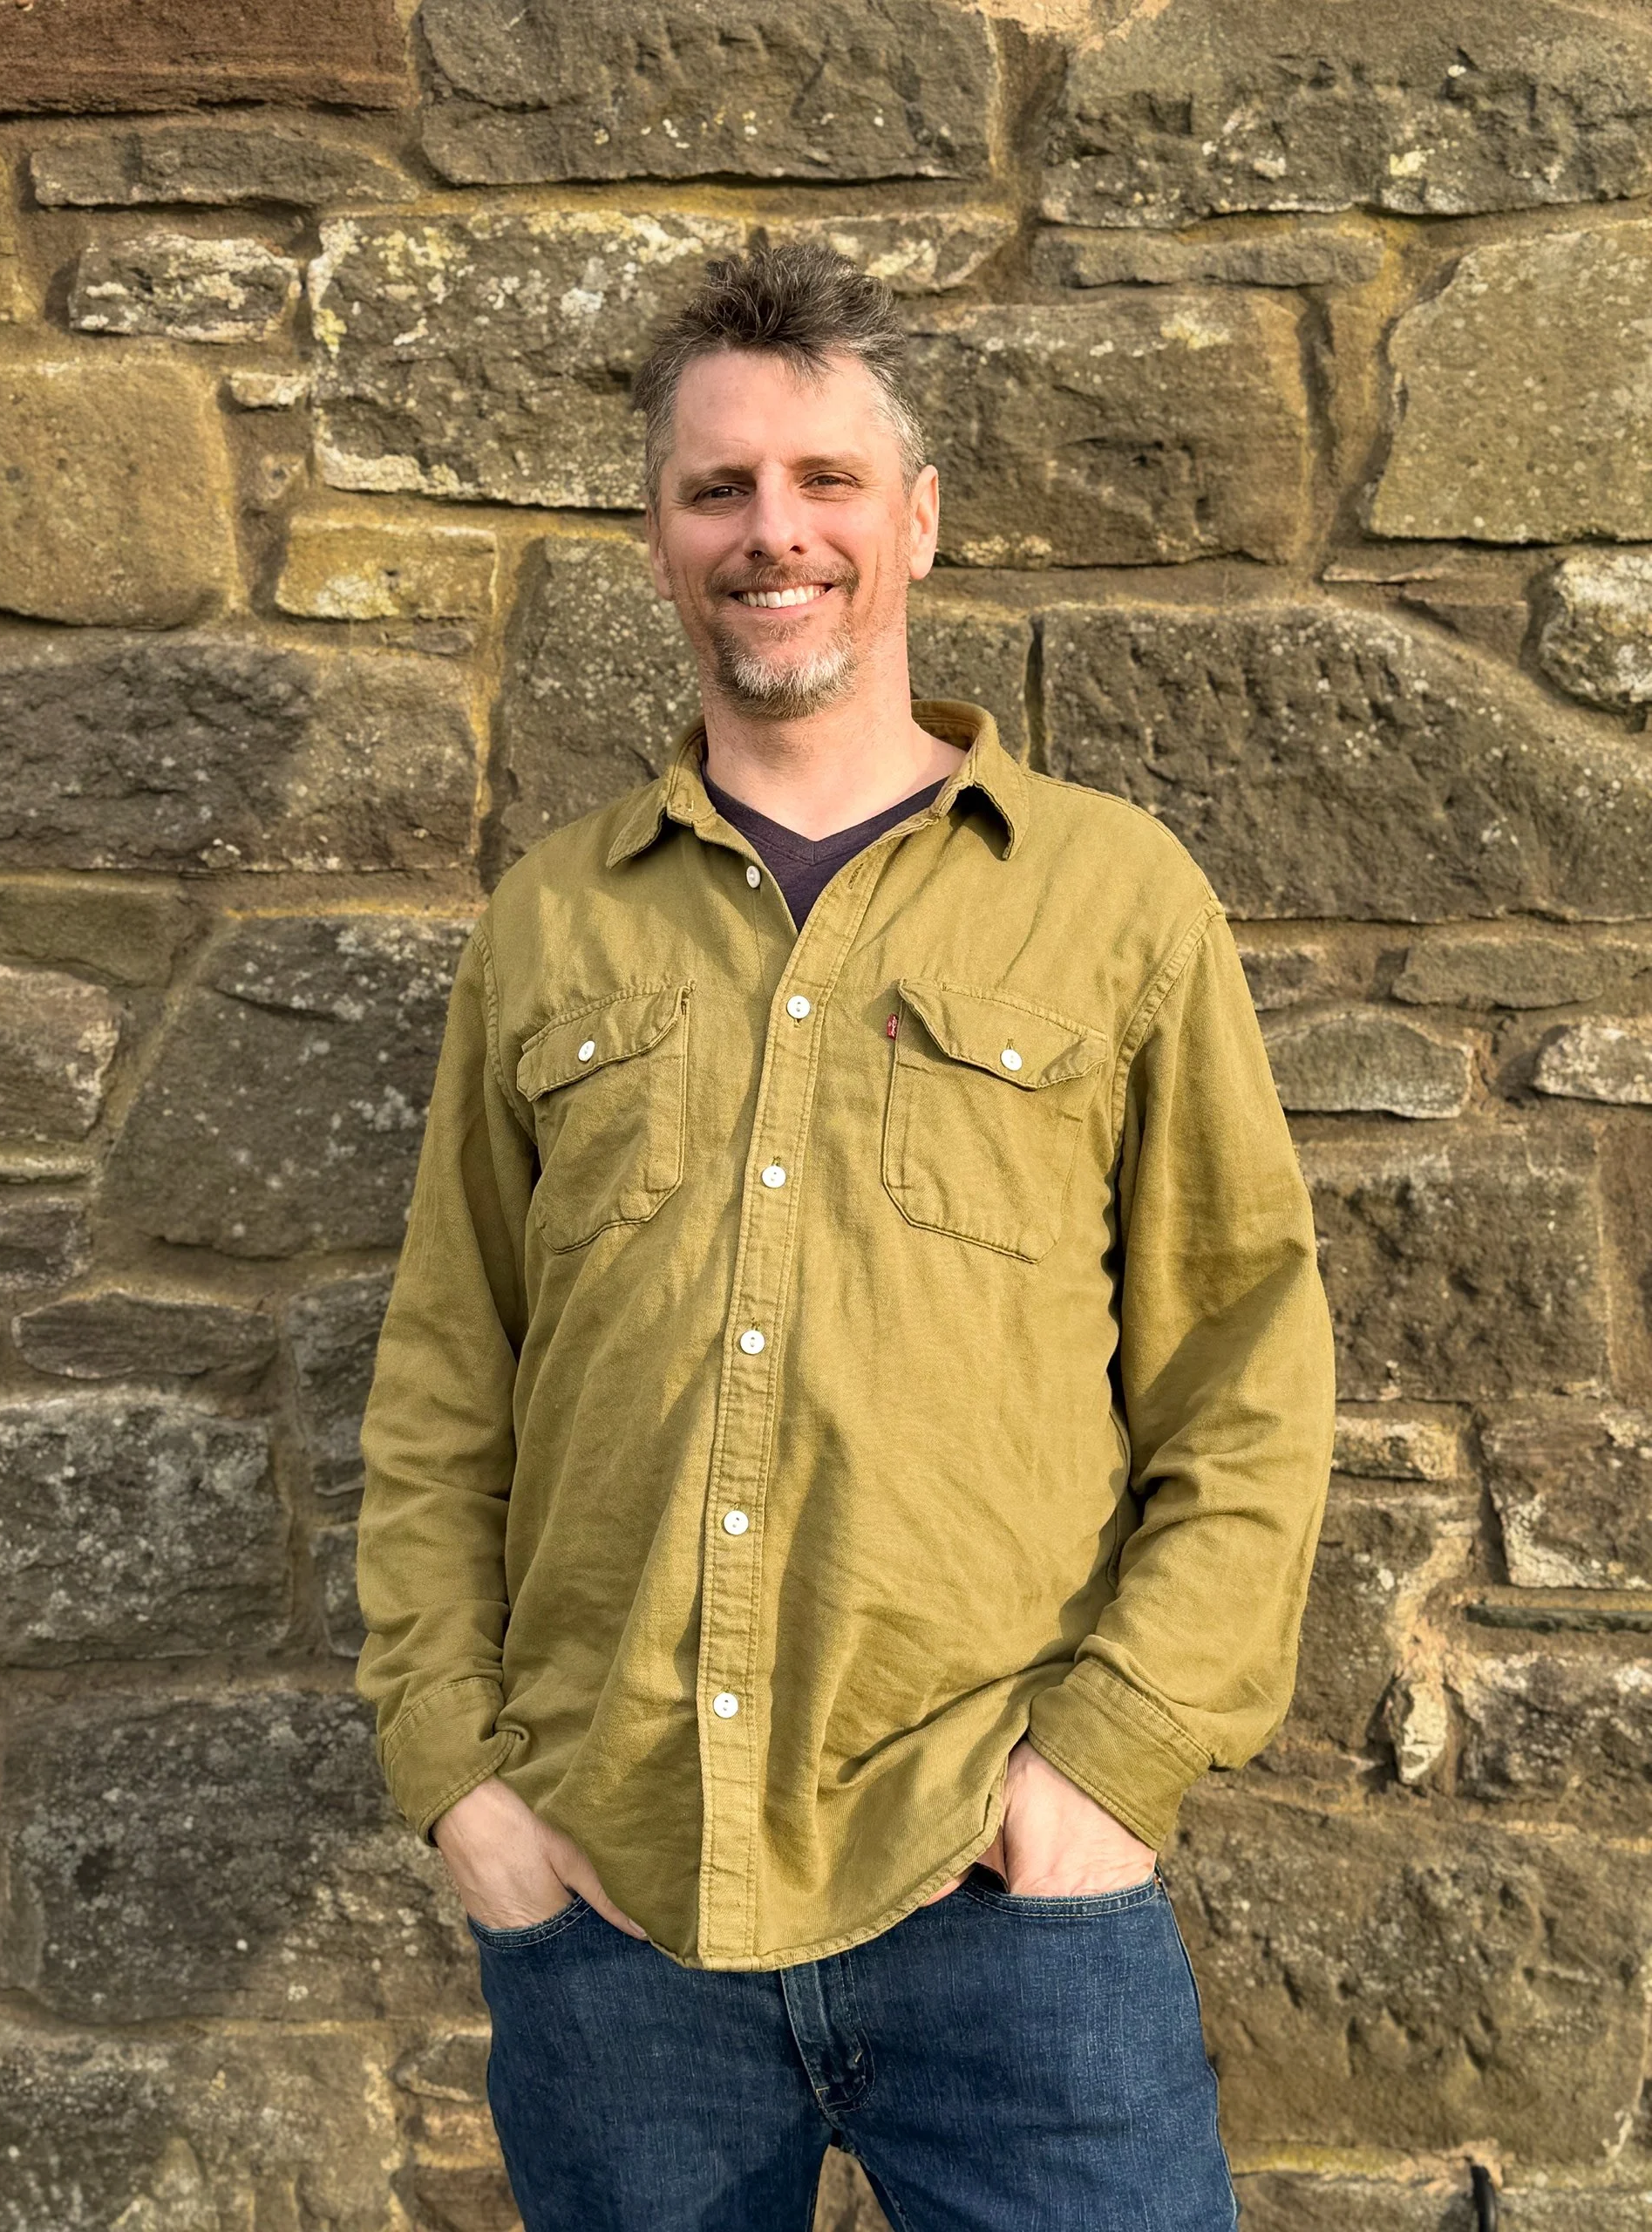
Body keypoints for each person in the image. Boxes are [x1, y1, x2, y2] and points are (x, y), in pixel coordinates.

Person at [355, 242, 1336, 2231]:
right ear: (657, 541)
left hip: (1009, 1904)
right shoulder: (555, 921)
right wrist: (464, 1775)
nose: (770, 532)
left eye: (820, 480)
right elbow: (452, 1370)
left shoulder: (1114, 900)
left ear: (915, 520)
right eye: (718, 489)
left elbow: (1246, 1355)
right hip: (617, 1909)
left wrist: (1109, 1767)